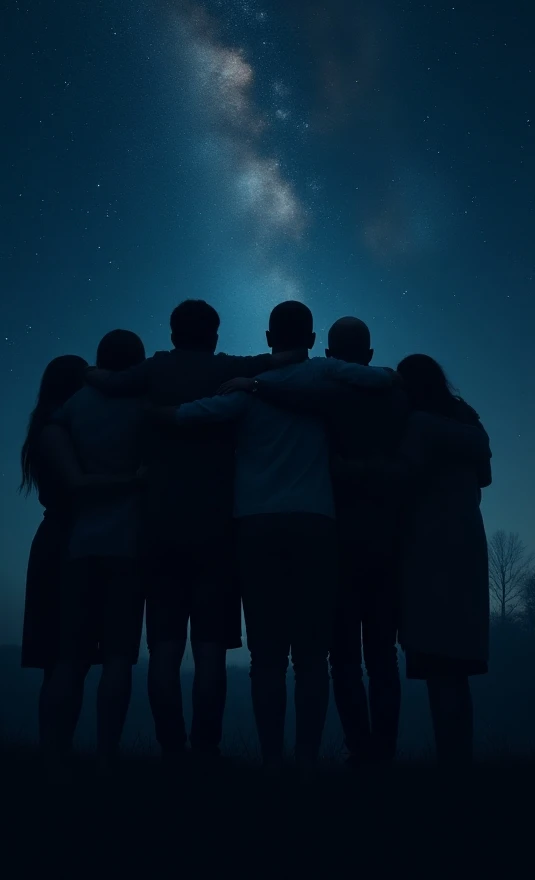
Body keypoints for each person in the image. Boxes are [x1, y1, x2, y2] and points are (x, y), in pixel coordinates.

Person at [160, 302, 396, 769]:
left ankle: (272, 760)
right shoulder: (328, 375)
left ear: (269, 338)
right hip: (315, 524)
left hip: (255, 526)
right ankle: (307, 759)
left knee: (266, 655)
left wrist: (149, 411)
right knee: (312, 655)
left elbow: (191, 415)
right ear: (312, 339)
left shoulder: (245, 392)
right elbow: (385, 378)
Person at [85, 300, 306, 764]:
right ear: (215, 334)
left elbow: (106, 381)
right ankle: (206, 748)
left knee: (164, 651)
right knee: (210, 653)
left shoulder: (154, 369)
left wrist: (77, 371)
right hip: (217, 530)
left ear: (171, 332)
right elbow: (281, 360)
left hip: (159, 526)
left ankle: (171, 748)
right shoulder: (226, 369)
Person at [223, 317, 408, 766]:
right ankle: (377, 756)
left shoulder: (326, 391)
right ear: (367, 352)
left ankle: (349, 750)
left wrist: (255, 386)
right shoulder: (392, 395)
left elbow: (303, 396)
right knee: (379, 655)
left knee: (332, 657)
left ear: (325, 351)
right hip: (383, 541)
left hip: (335, 540)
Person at [40, 330, 148, 769]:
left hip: (81, 545)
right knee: (119, 659)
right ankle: (107, 755)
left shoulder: (71, 410)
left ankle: (53, 756)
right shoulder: (146, 407)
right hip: (129, 544)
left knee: (69, 658)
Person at [392, 354, 491, 767]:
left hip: (427, 550)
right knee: (456, 668)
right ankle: (459, 763)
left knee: (438, 665)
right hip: (468, 545)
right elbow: (484, 477)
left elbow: (402, 481)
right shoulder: (470, 425)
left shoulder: (415, 426)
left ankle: (450, 770)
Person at [21, 354, 90, 743]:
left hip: (54, 539)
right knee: (69, 657)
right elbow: (78, 485)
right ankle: (55, 754)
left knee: (62, 659)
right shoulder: (62, 428)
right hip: (69, 542)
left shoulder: (45, 426)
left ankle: (53, 752)